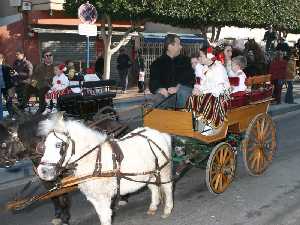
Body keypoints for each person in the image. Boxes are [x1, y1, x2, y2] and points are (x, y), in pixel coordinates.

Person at [186, 47, 231, 134]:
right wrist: (198, 89)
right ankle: (194, 126)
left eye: (201, 56)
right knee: (192, 98)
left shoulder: (219, 67)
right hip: (209, 92)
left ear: (209, 56)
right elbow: (203, 83)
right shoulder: (205, 68)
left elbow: (219, 87)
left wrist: (202, 91)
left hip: (220, 94)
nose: (199, 58)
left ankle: (208, 126)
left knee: (207, 100)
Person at [149, 34, 194, 108]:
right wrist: (159, 89)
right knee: (157, 98)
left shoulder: (188, 61)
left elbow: (192, 78)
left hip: (183, 95)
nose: (181, 47)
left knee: (183, 92)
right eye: (178, 44)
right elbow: (153, 81)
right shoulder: (157, 63)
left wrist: (179, 87)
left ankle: (183, 118)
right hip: (167, 96)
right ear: (170, 46)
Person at [23, 49, 55, 114]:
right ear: (43, 58)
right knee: (28, 86)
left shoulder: (56, 66)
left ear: (52, 56)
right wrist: (32, 84)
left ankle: (42, 108)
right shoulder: (39, 66)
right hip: (39, 86)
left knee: (44, 88)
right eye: (46, 56)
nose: (49, 57)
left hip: (52, 87)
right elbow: (34, 77)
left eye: (50, 55)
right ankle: (23, 104)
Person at [0, 53, 14, 120]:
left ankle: (11, 116)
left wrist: (11, 87)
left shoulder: (7, 67)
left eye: (0, 58)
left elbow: (14, 75)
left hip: (6, 88)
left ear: (2, 59)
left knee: (9, 102)